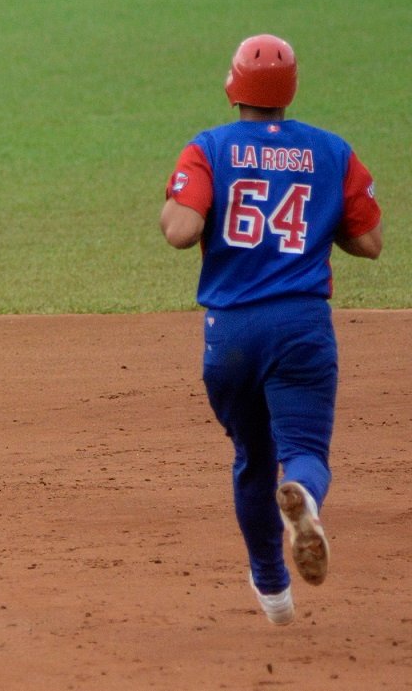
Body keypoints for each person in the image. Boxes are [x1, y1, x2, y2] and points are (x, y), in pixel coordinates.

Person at [160, 34, 383, 625]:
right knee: (304, 451)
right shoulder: (332, 151)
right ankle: (305, 496)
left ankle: (272, 590)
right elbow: (369, 242)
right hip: (302, 328)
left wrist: (182, 207)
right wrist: (313, 216)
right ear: (291, 89)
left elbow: (182, 230)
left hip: (231, 334)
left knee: (252, 459)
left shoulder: (209, 148)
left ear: (234, 86)